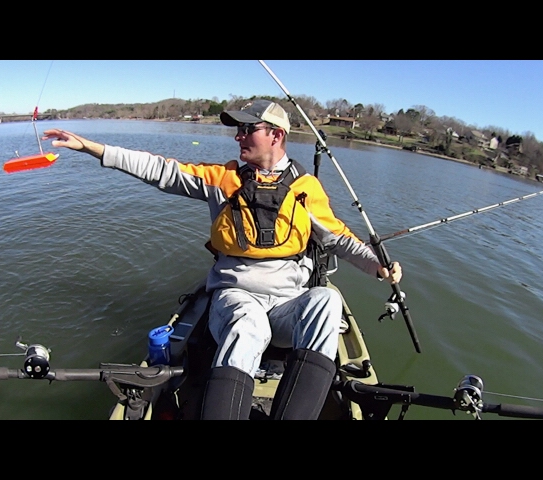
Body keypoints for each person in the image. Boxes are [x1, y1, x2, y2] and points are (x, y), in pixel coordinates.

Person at [42, 99, 402, 420]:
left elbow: (340, 239)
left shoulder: (306, 189)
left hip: (287, 306)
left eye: (248, 129)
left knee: (327, 299)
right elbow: (158, 169)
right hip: (234, 300)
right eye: (238, 129)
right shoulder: (223, 179)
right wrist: (91, 147)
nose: (238, 136)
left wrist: (379, 266)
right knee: (248, 325)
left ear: (276, 135)